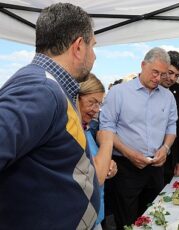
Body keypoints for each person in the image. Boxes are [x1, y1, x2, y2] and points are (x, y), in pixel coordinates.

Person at [0, 3, 111, 229]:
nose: (94, 56)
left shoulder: (53, 86)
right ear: (79, 46)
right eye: (93, 46)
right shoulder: (42, 89)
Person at [99, 47, 178, 229]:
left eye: (163, 74)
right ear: (143, 65)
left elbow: (171, 127)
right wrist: (128, 153)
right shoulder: (119, 92)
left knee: (156, 218)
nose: (158, 78)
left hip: (156, 167)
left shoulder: (168, 97)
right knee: (127, 221)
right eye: (155, 72)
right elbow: (106, 129)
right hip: (126, 169)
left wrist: (165, 149)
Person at [78, 73, 118, 230]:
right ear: (76, 97)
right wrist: (108, 140)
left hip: (95, 215)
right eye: (92, 103)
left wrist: (110, 166)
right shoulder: (72, 133)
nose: (96, 110)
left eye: (99, 104)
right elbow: (97, 177)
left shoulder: (86, 129)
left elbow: (94, 164)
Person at [160, 50, 179, 184]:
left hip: (170, 156)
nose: (172, 78)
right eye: (170, 72)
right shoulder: (149, 88)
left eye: (177, 75)